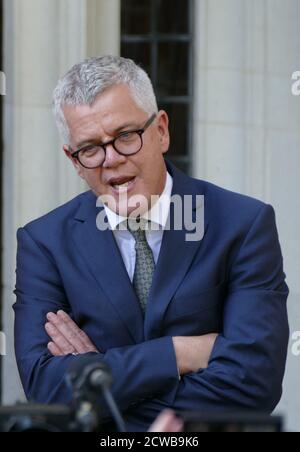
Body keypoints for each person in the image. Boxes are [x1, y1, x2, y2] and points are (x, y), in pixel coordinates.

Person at [14, 56, 289, 432]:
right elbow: (46, 392)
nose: (111, 160)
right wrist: (180, 353)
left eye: (126, 135)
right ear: (73, 160)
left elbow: (254, 383)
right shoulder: (44, 243)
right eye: (90, 148)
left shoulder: (242, 224)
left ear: (160, 130)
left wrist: (99, 377)